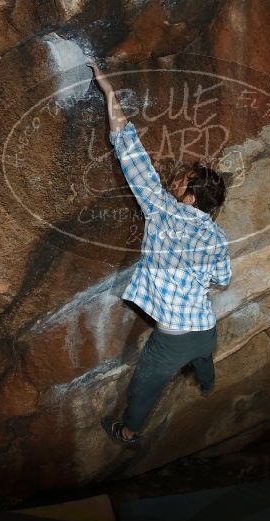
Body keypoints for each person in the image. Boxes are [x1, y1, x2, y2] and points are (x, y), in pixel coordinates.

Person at [87, 57, 232, 450]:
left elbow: (129, 149)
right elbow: (223, 278)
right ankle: (206, 379)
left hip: (172, 339)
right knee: (203, 356)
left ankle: (129, 434)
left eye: (181, 179)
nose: (173, 179)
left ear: (187, 195)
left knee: (144, 386)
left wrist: (110, 92)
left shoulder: (161, 209)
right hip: (204, 328)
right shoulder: (216, 235)